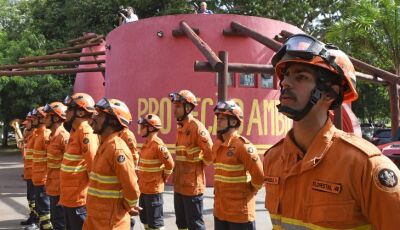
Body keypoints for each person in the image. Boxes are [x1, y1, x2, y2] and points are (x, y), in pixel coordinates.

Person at [263, 33, 400, 229]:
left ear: (330, 93)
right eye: (285, 75)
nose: (284, 83)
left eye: (301, 76)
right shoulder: (273, 159)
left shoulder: (364, 165)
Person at [83, 98, 140, 229]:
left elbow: (132, 189)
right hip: (96, 220)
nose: (95, 117)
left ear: (113, 122)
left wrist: (126, 207)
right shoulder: (105, 145)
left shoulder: (116, 149)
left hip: (110, 223)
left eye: (101, 115)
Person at [212, 100, 264, 230]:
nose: (218, 121)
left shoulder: (243, 147)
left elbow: (259, 176)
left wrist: (250, 191)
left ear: (234, 122)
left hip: (240, 215)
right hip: (220, 212)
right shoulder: (217, 145)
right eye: (218, 118)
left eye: (222, 118)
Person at [169, 90, 213, 230]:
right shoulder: (181, 127)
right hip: (179, 184)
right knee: (181, 224)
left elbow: (210, 152)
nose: (174, 110)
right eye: (174, 106)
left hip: (192, 187)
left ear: (188, 108)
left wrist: (199, 166)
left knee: (195, 225)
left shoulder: (196, 127)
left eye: (178, 106)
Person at [59, 93, 99, 230]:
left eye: (69, 109)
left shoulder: (85, 132)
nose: (66, 112)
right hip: (70, 198)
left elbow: (93, 166)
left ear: (81, 112)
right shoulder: (75, 131)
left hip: (79, 200)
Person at [137, 114, 174, 230]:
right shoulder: (147, 144)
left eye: (143, 127)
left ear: (151, 128)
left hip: (153, 190)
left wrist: (164, 176)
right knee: (145, 220)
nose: (140, 129)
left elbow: (170, 164)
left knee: (155, 223)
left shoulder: (158, 145)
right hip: (143, 189)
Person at [43, 102, 69, 230]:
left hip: (61, 189)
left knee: (61, 223)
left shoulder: (63, 137)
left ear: (57, 118)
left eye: (48, 116)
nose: (45, 119)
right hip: (53, 186)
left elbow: (70, 166)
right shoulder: (52, 136)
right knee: (55, 221)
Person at [30, 106, 52, 230]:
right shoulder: (39, 134)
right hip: (37, 178)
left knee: (45, 210)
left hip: (44, 180)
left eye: (35, 118)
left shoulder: (46, 135)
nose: (33, 120)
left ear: (42, 119)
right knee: (40, 209)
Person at [20, 112, 39, 228]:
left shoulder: (37, 136)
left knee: (36, 199)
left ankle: (35, 220)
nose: (25, 125)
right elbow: (26, 156)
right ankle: (32, 217)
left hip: (35, 173)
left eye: (28, 123)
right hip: (29, 172)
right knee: (31, 198)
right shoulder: (30, 136)